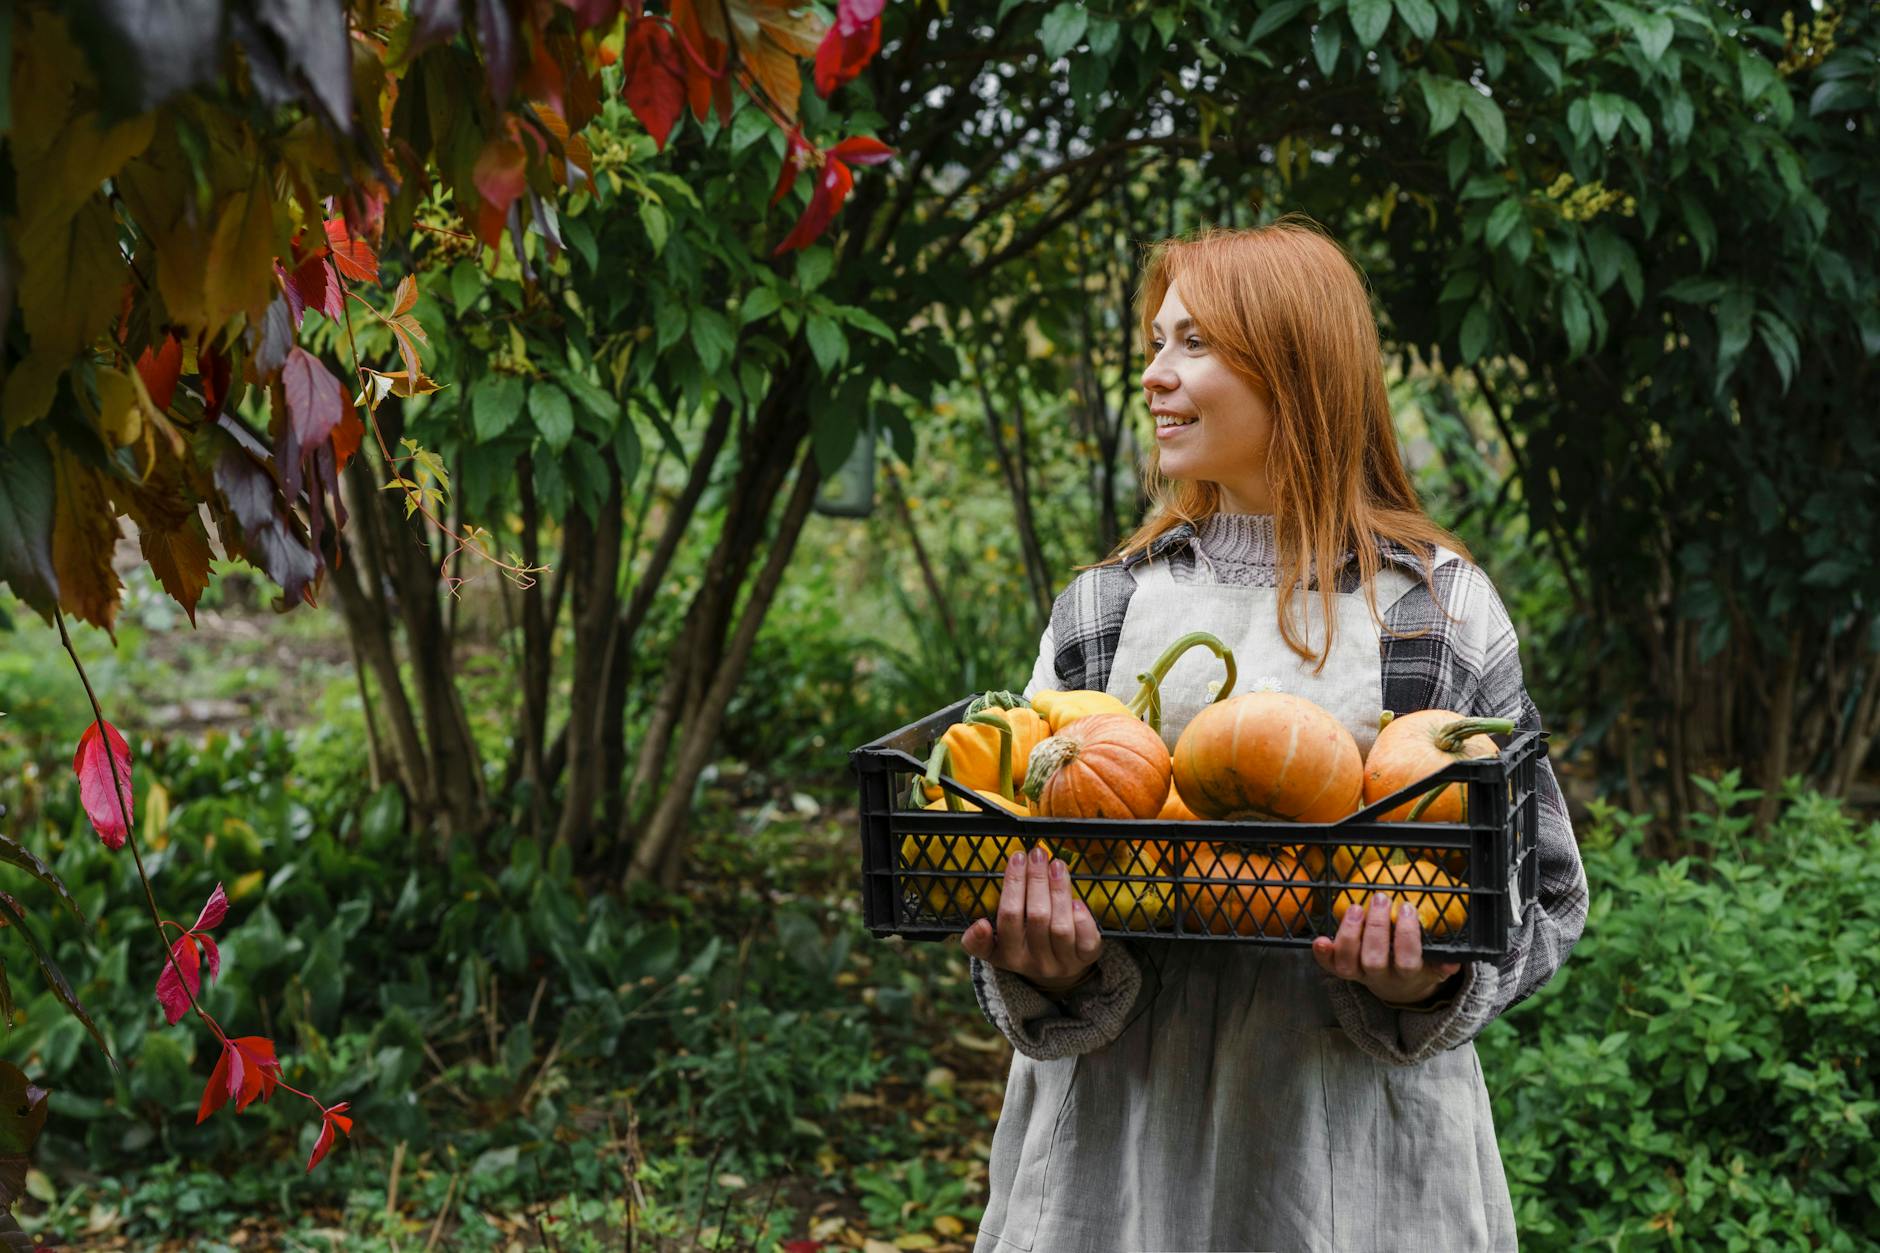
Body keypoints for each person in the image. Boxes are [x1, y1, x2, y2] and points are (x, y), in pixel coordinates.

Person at [956, 219, 1588, 1252]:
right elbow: (1009, 845)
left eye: (1194, 343)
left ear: (1294, 365)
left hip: (1350, 1145)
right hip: (1120, 1144)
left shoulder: (1433, 611)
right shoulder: (1105, 609)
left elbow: (1546, 889)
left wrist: (1428, 979)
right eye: (1154, 343)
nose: (1154, 375)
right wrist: (1050, 969)